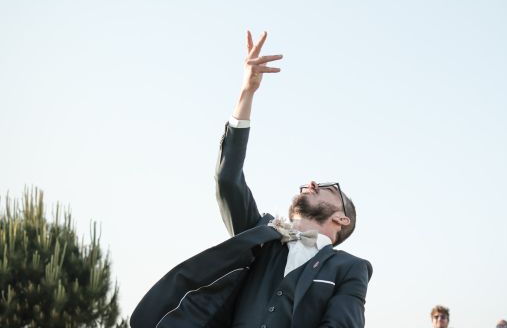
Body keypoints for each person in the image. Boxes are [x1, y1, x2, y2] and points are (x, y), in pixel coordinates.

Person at [131, 31, 373, 328]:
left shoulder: (349, 268)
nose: (312, 184)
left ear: (342, 219)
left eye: (328, 189)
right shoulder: (258, 237)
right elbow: (228, 180)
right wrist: (246, 92)